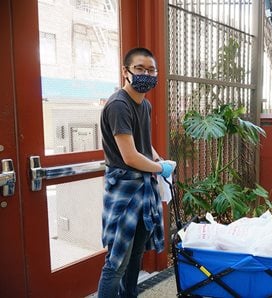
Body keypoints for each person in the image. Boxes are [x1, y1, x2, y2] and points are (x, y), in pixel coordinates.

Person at [98, 47, 176, 297]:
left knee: (135, 257)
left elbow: (141, 144)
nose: (146, 74)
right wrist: (159, 168)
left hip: (144, 189)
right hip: (124, 190)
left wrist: (157, 157)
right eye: (139, 69)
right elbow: (129, 156)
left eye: (151, 70)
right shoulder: (119, 105)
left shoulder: (145, 106)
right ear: (126, 71)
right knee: (117, 262)